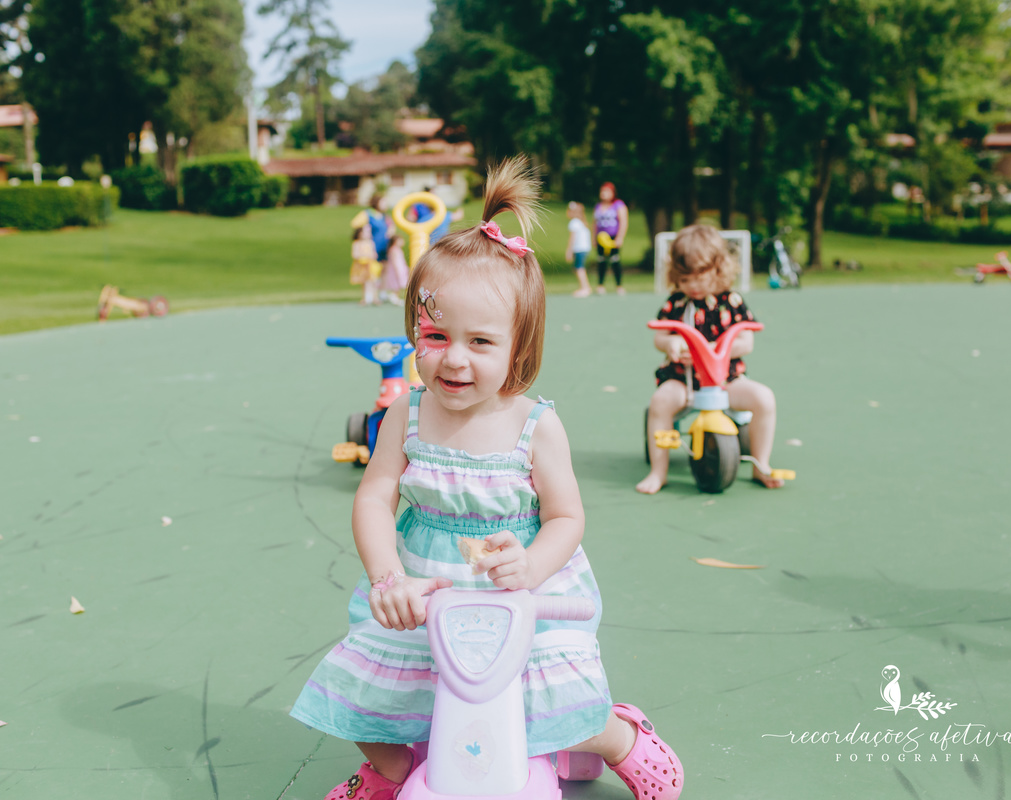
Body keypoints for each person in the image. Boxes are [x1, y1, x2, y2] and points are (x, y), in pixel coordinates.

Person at [291, 158, 684, 800]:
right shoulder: (405, 412)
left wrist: (531, 566)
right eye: (436, 334)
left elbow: (566, 517)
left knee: (558, 710)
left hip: (520, 593)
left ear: (517, 348)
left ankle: (620, 738)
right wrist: (386, 577)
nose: (453, 358)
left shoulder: (535, 426)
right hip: (425, 587)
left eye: (480, 342)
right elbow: (375, 495)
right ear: (415, 330)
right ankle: (390, 773)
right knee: (363, 697)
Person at [637, 224, 784, 493]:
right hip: (684, 380)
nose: (692, 286)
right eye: (685, 280)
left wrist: (713, 348)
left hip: (726, 380)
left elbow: (746, 341)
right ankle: (659, 472)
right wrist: (670, 342)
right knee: (660, 402)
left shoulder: (731, 301)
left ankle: (760, 464)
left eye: (700, 278)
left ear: (718, 269)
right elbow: (660, 336)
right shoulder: (677, 303)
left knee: (764, 398)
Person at [593, 181, 628, 295]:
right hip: (601, 238)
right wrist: (593, 238)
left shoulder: (618, 205)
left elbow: (623, 221)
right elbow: (595, 223)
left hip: (613, 237)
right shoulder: (598, 206)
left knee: (615, 260)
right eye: (602, 191)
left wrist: (620, 237)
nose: (604, 193)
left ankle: (619, 286)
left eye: (607, 191)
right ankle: (600, 285)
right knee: (601, 261)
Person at [565, 201, 593, 297]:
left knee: (579, 268)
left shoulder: (574, 223)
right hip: (584, 248)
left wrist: (569, 251)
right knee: (578, 267)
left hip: (579, 249)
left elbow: (572, 238)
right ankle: (584, 287)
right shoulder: (581, 223)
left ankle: (585, 288)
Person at [350, 225, 380, 306]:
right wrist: (362, 258)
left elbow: (374, 253)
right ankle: (364, 298)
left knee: (374, 281)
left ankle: (375, 298)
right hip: (361, 265)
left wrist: (372, 257)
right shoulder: (356, 243)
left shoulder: (370, 243)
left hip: (370, 265)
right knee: (363, 282)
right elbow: (355, 254)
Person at [379, 234, 409, 306]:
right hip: (396, 269)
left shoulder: (397, 249)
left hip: (400, 268)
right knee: (396, 283)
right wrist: (397, 270)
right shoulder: (394, 250)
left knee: (398, 284)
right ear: (396, 241)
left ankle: (396, 297)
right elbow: (395, 261)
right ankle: (394, 297)